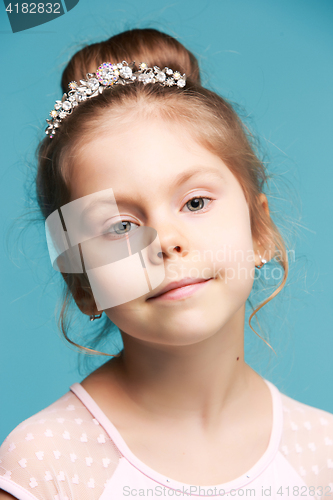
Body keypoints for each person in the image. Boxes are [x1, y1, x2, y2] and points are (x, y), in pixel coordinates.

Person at [0, 28, 332, 500]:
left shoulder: (323, 455)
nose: (166, 242)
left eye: (195, 203)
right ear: (83, 284)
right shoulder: (44, 466)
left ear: (260, 231)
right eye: (119, 226)